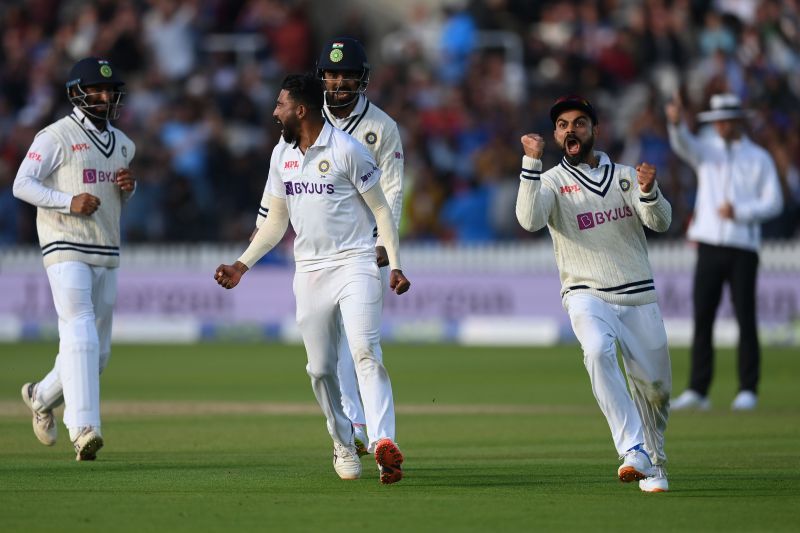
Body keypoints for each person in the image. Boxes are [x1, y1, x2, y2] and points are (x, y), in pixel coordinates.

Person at [217, 73, 409, 484]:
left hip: (356, 262)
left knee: (364, 349)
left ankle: (382, 443)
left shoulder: (348, 150)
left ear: (300, 110)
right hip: (309, 271)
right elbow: (273, 223)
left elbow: (381, 211)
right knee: (320, 369)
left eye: (280, 105)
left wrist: (393, 263)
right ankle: (343, 442)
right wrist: (241, 264)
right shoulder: (280, 155)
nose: (274, 112)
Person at [254, 37, 404, 457]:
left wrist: (385, 247)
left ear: (362, 80)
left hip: (363, 249)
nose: (338, 83)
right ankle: (352, 423)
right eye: (332, 75)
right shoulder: (306, 124)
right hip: (318, 256)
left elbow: (390, 193)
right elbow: (282, 183)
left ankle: (378, 436)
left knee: (361, 345)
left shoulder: (380, 128)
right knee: (328, 354)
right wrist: (259, 227)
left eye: (347, 76)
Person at [515, 95, 673, 493]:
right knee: (598, 351)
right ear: (555, 134)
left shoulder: (624, 176)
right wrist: (530, 164)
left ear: (594, 130)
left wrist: (650, 191)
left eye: (580, 122)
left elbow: (661, 222)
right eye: (563, 124)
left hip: (638, 293)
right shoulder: (550, 180)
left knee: (656, 392)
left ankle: (654, 462)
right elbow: (530, 220)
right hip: (585, 292)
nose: (571, 129)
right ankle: (632, 448)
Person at [13, 57, 136, 461]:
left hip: (106, 248)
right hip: (64, 245)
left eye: (109, 90)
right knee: (79, 328)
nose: (104, 96)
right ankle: (84, 428)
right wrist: (68, 201)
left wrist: (127, 187)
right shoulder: (54, 137)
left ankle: (40, 395)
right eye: (96, 90)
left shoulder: (123, 143)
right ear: (76, 94)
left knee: (96, 356)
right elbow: (21, 184)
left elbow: (115, 192)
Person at [666, 93, 783, 411]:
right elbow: (683, 144)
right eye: (717, 121)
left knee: (746, 317)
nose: (720, 126)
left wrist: (741, 211)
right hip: (708, 245)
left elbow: (774, 202)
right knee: (703, 318)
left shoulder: (758, 157)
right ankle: (698, 391)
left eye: (725, 121)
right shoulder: (707, 150)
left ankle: (748, 389)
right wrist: (675, 123)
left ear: (737, 121)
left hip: (743, 246)